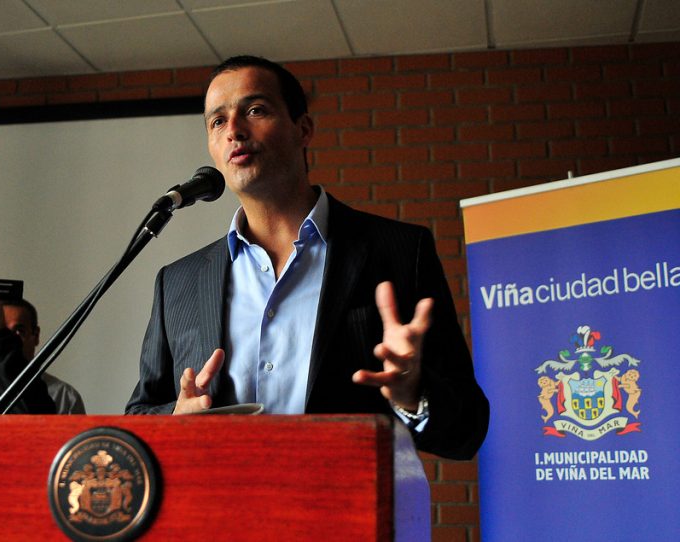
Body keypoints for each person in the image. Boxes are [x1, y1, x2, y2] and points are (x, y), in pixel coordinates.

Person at [126, 55, 488, 459]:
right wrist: (175, 420)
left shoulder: (400, 252)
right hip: (215, 497)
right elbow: (140, 413)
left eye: (255, 110)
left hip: (349, 497)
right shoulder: (178, 282)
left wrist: (412, 394)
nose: (234, 131)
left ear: (303, 129)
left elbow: (468, 430)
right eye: (217, 121)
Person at [3, 298, 86, 414]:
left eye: (19, 331)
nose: (8, 340)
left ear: (36, 335)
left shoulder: (66, 397)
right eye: (1, 333)